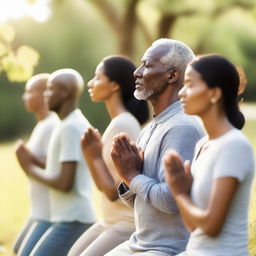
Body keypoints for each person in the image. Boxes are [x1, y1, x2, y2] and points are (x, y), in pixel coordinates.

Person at [107, 39, 204, 256]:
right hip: (140, 243)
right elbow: (141, 202)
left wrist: (133, 176)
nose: (137, 72)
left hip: (169, 250)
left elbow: (171, 201)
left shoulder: (182, 127)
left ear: (172, 75)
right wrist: (127, 178)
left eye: (148, 65)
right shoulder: (151, 127)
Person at [163, 54, 255, 256]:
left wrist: (179, 192)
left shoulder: (234, 146)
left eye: (189, 84)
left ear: (214, 94)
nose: (181, 93)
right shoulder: (203, 144)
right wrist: (183, 192)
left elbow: (212, 226)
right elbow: (194, 227)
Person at [68, 55, 149, 256]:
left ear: (114, 86)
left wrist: (94, 157)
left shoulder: (123, 125)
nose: (91, 83)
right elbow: (103, 188)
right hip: (110, 219)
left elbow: (115, 192)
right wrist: (90, 155)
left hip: (127, 222)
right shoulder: (117, 123)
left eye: (97, 77)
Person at [15, 69, 96, 256]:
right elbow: (56, 167)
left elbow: (64, 183)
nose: (45, 95)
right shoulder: (65, 124)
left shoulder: (70, 127)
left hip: (74, 218)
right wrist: (32, 160)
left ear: (66, 92)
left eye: (50, 90)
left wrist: (28, 167)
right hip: (67, 216)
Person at [13, 74, 59, 255]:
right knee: (18, 248)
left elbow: (57, 167)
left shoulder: (52, 125)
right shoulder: (42, 125)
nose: (25, 97)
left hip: (50, 212)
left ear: (44, 94)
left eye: (29, 91)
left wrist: (27, 159)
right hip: (38, 209)